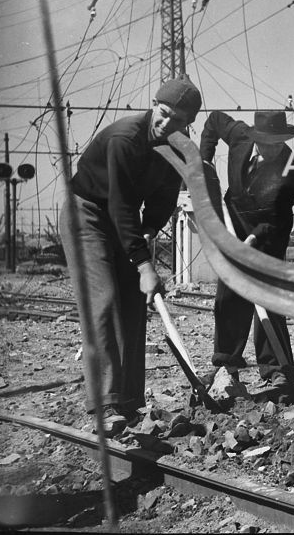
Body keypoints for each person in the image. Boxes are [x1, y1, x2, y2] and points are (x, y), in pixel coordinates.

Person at [60, 78, 202, 435]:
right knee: (103, 301)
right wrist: (144, 264)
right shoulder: (126, 138)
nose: (167, 124)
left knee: (135, 304)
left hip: (122, 223)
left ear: (188, 124)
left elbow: (163, 200)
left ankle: (129, 401)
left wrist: (151, 229)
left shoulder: (176, 150)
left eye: (178, 120)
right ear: (154, 104)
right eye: (164, 113)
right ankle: (105, 405)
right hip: (88, 215)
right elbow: (122, 205)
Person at [200, 110, 294, 389]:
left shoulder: (292, 170)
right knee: (228, 295)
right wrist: (205, 159)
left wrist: (251, 242)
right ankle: (226, 365)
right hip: (234, 221)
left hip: (268, 233)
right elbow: (213, 121)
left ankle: (276, 368)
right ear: (255, 138)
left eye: (278, 144)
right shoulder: (239, 136)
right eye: (267, 143)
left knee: (267, 296)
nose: (272, 149)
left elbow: (275, 217)